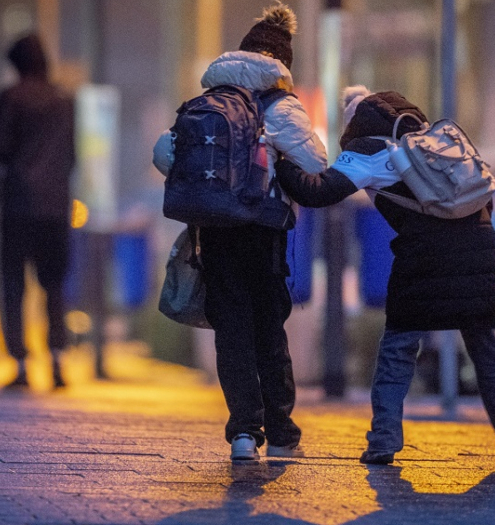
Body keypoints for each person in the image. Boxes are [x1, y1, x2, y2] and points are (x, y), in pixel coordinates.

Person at [274, 87, 495, 468]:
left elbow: (317, 192)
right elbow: (483, 194)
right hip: (480, 251)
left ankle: (383, 441)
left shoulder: (369, 150)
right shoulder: (438, 140)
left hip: (423, 256)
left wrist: (281, 161)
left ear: (356, 123)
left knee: (398, 348)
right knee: (488, 347)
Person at [153, 4, 327, 461]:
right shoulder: (281, 105)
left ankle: (244, 434)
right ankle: (282, 431)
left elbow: (164, 154)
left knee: (230, 328)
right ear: (282, 62)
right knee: (268, 328)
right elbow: (316, 162)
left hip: (215, 228)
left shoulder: (210, 99)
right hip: (262, 229)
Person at [0, 33, 75, 391]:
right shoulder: (64, 100)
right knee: (54, 285)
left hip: (18, 204)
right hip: (55, 207)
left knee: (13, 284)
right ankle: (57, 361)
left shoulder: (10, 97)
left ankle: (21, 363)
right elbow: (71, 154)